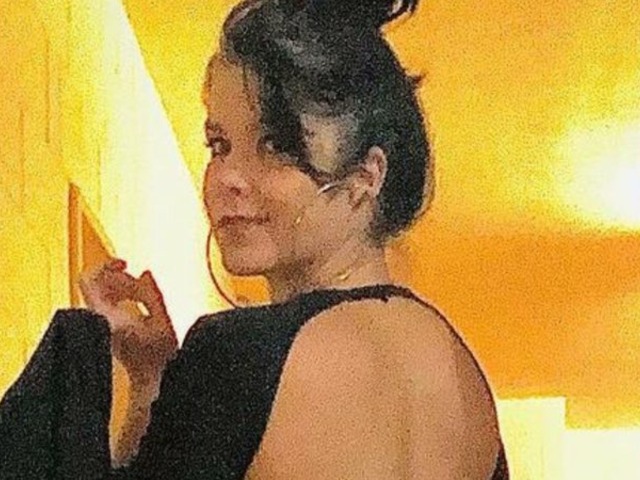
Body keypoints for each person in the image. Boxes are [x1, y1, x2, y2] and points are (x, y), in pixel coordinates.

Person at [0, 0, 510, 478]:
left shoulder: (237, 357)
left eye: (275, 145)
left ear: (366, 174)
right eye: (219, 145)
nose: (228, 178)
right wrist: (155, 379)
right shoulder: (466, 383)